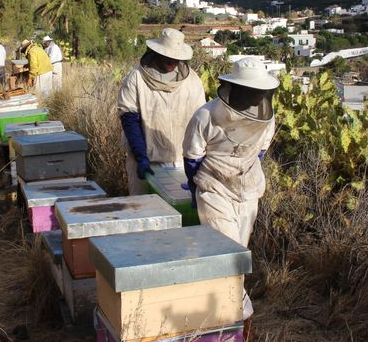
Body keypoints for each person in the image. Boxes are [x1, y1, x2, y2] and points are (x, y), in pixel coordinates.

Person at [181, 57, 279, 329]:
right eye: (252, 90)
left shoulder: (266, 119)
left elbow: (260, 151)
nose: (256, 96)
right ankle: (235, 315)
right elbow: (192, 157)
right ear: (235, 87)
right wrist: (195, 185)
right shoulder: (206, 115)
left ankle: (228, 314)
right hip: (214, 189)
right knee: (228, 254)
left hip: (248, 191)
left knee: (240, 251)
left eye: (260, 92)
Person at [118, 28, 206, 196]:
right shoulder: (135, 79)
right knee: (145, 211)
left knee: (179, 214)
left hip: (182, 160)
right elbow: (129, 118)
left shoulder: (193, 80)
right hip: (145, 161)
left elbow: (200, 122)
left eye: (176, 58)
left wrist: (197, 161)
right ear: (157, 53)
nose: (172, 62)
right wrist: (140, 156)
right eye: (168, 57)